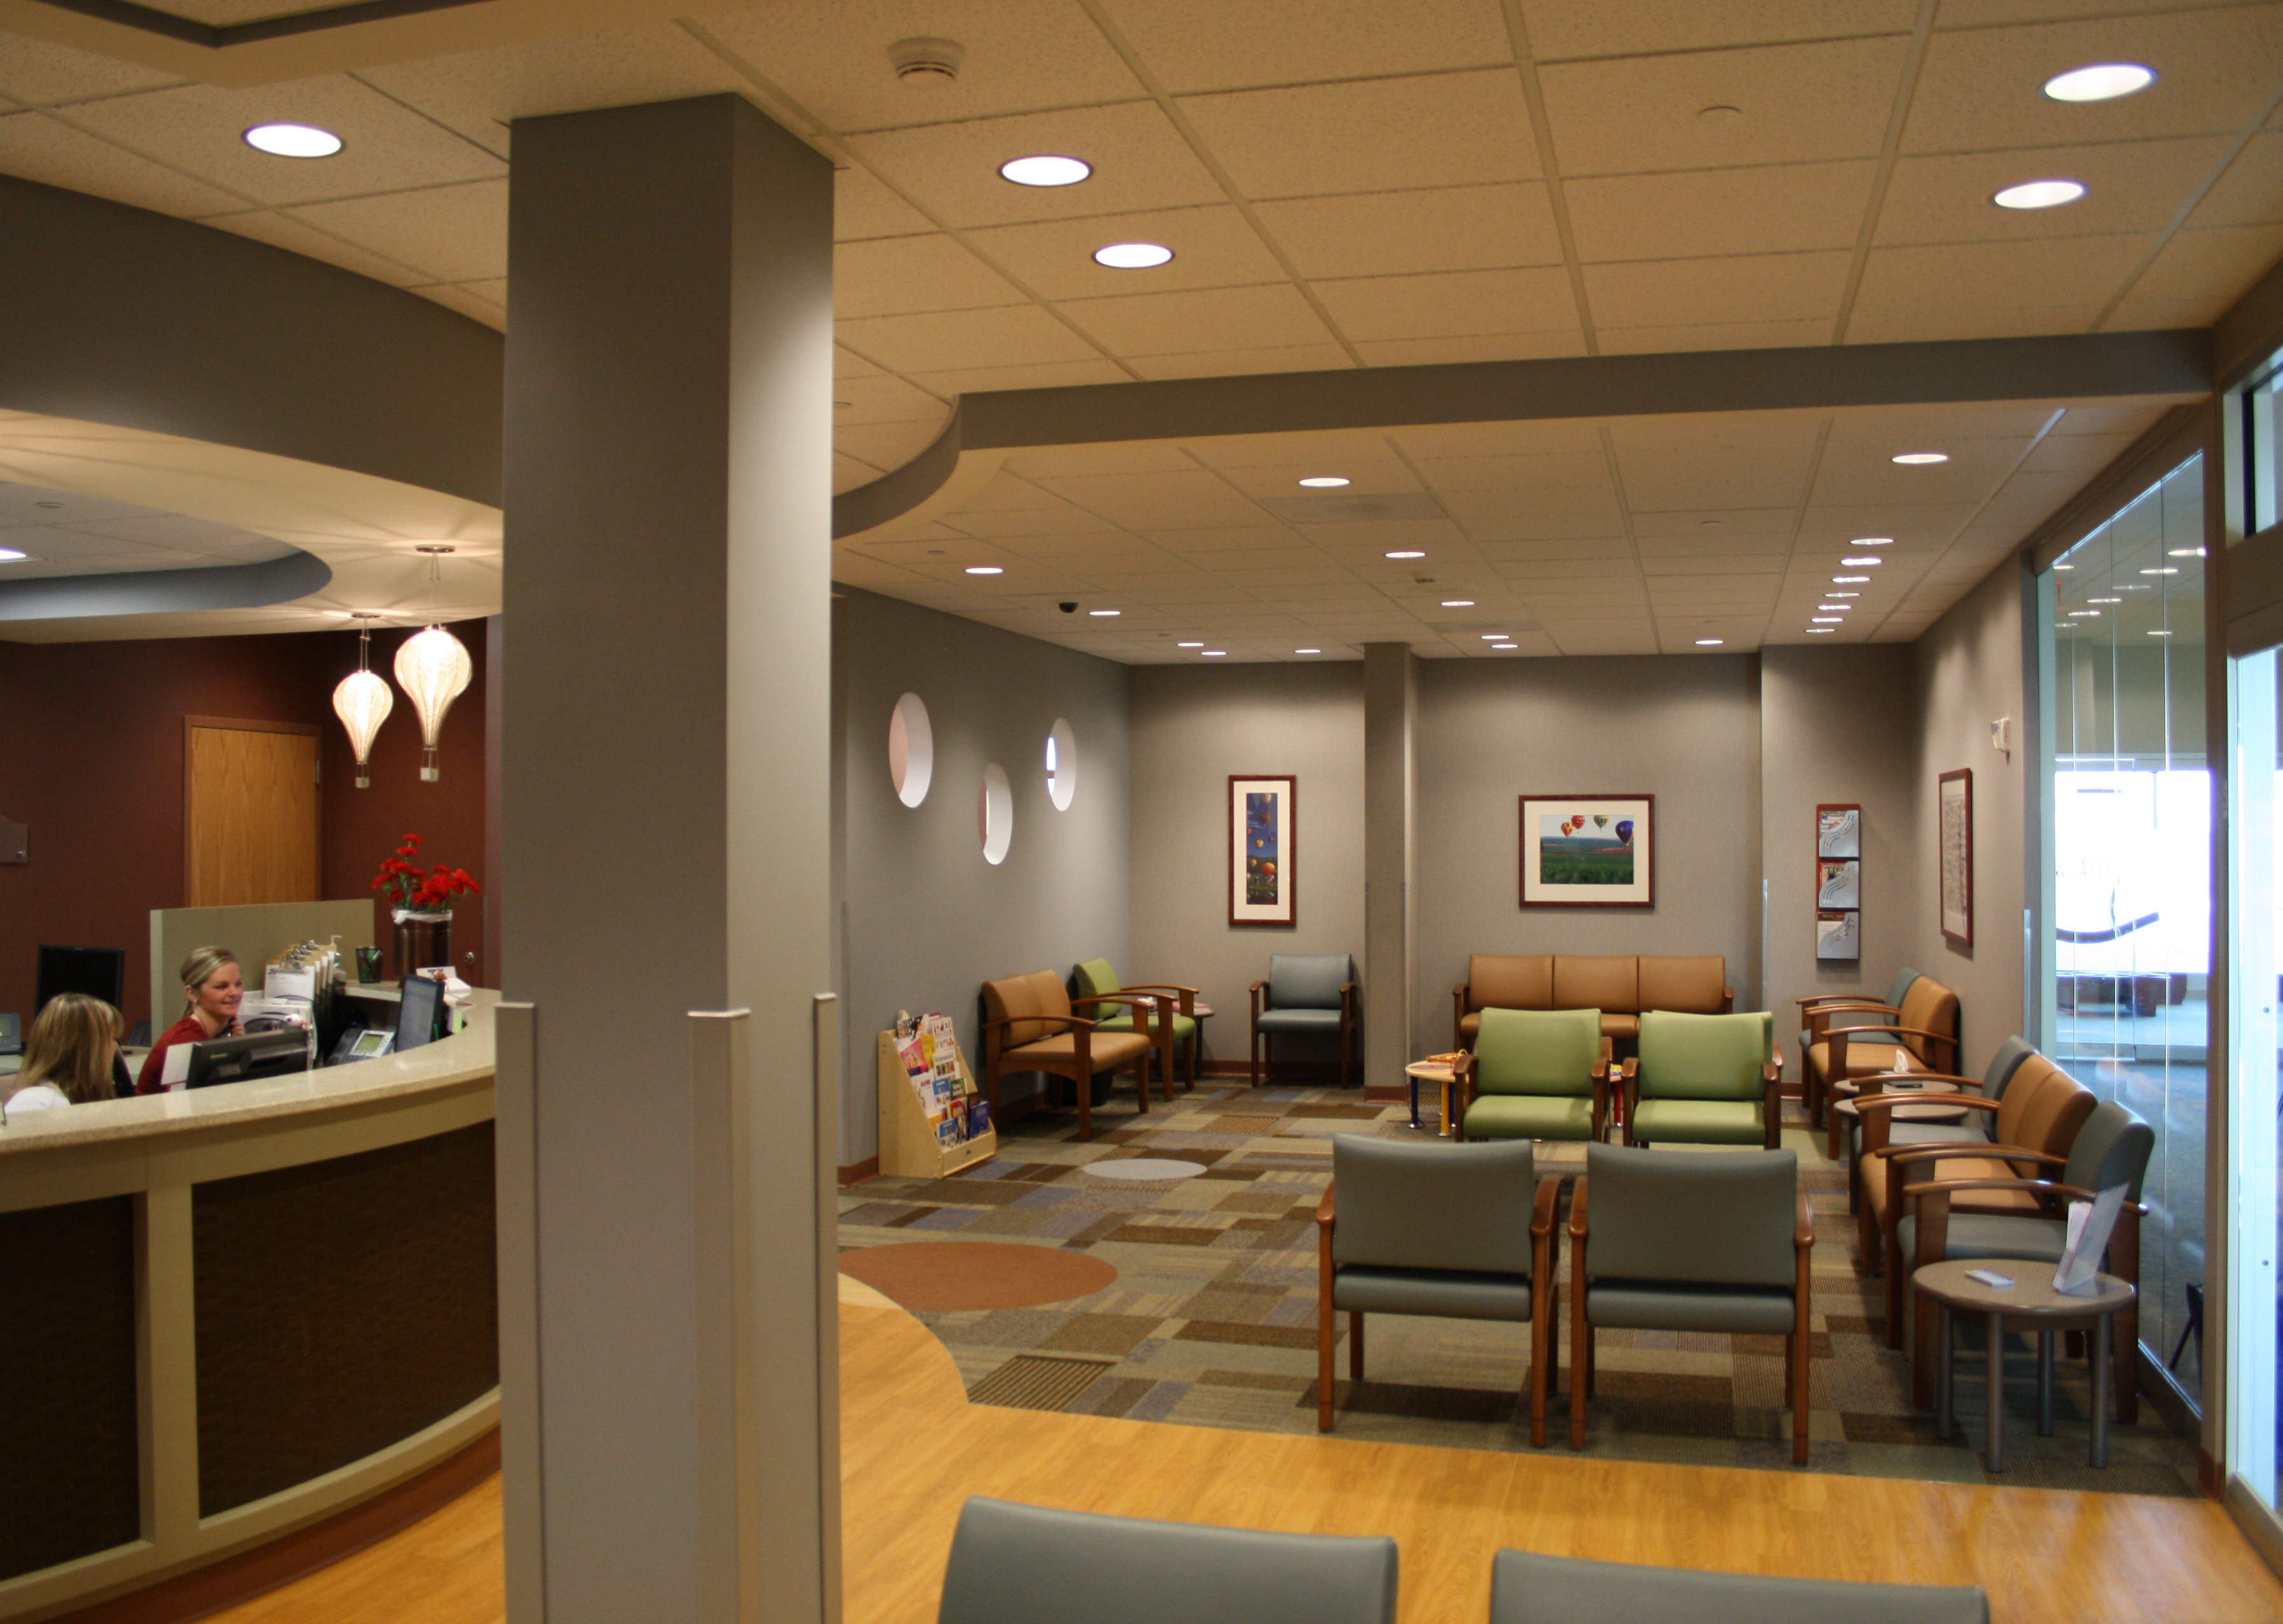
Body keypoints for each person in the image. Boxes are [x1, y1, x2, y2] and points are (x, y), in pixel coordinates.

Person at [137, 945, 244, 1095]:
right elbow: (183, 1105)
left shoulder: (219, 1033)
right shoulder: (185, 1040)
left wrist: (236, 1047)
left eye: (238, 984)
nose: (235, 993)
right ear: (192, 993)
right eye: (221, 987)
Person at [3, 992, 125, 1113]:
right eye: (111, 1039)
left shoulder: (83, 1101)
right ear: (86, 1051)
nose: (114, 1048)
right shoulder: (39, 1103)